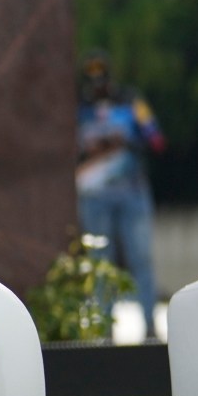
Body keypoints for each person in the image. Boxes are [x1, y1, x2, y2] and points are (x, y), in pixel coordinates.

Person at [74, 51, 164, 335]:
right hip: (94, 196)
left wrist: (125, 142)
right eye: (92, 80)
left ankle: (149, 326)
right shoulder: (78, 107)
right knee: (101, 264)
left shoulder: (130, 101)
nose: (97, 85)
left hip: (132, 192)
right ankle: (104, 331)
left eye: (101, 79)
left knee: (141, 258)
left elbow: (156, 139)